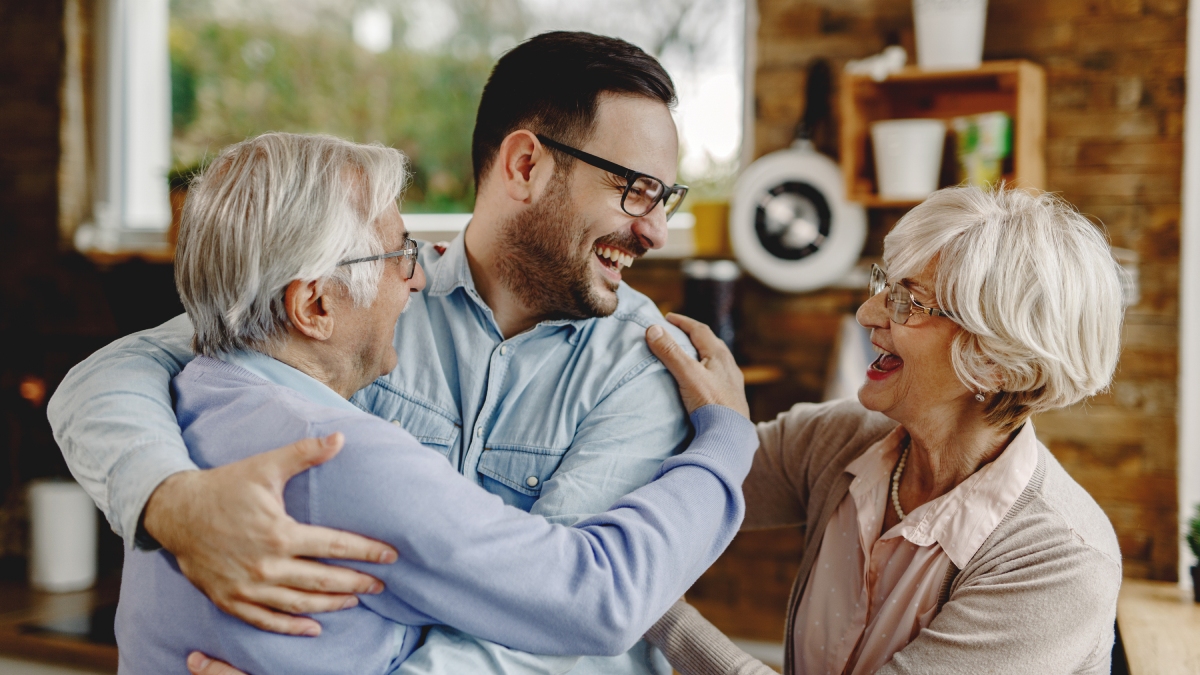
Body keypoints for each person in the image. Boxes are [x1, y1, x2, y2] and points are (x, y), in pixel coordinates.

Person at [49, 32, 693, 675]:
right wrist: (171, 502)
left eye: (666, 198)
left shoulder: (644, 362)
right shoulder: (359, 299)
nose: (655, 230)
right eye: (635, 189)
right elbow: (112, 374)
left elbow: (567, 614)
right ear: (526, 166)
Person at [116, 130, 756, 675]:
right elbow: (598, 596)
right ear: (314, 306)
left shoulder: (188, 397)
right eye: (399, 255)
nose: (419, 278)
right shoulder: (336, 454)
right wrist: (727, 439)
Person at [636, 186, 1126, 674]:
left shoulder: (1059, 564)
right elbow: (663, 487)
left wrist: (643, 604)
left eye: (907, 302)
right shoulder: (839, 440)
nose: (867, 314)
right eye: (883, 285)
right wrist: (720, 427)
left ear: (998, 361)